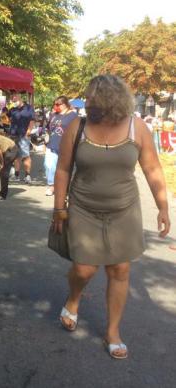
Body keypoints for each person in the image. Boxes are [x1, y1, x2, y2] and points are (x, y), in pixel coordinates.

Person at [53, 75, 171, 360]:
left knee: (119, 270)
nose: (88, 102)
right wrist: (59, 207)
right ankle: (74, 298)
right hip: (83, 207)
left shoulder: (137, 127)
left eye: (94, 98)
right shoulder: (77, 127)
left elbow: (153, 170)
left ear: (111, 99)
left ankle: (113, 332)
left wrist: (163, 207)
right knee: (84, 269)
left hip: (124, 209)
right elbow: (63, 169)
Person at [44, 96, 78, 196]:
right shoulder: (53, 115)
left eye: (58, 105)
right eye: (54, 104)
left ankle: (64, 187)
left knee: (64, 168)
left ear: (65, 104)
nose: (55, 106)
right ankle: (51, 185)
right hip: (52, 144)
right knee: (49, 165)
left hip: (66, 146)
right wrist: (46, 136)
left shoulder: (73, 115)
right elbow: (48, 128)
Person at [8, 94, 35, 183]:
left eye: (14, 97)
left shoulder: (28, 108)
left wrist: (28, 131)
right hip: (13, 135)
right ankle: (16, 175)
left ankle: (27, 175)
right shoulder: (12, 109)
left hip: (24, 135)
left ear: (20, 97)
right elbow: (6, 118)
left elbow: (32, 120)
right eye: (12, 98)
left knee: (25, 155)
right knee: (16, 156)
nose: (13, 99)